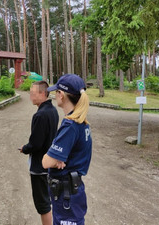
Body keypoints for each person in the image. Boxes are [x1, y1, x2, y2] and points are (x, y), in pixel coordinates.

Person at [42, 74, 92, 225]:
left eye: (56, 92)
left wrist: (55, 157)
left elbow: (46, 162)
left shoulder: (70, 125)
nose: (55, 95)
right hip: (71, 192)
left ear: (61, 95)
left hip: (66, 195)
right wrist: (58, 157)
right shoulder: (82, 122)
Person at [20, 81, 59, 225]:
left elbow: (35, 144)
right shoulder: (52, 110)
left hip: (39, 166)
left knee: (43, 204)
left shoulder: (40, 115)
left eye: (32, 93)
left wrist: (25, 148)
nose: (30, 96)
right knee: (47, 200)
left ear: (43, 94)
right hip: (49, 162)